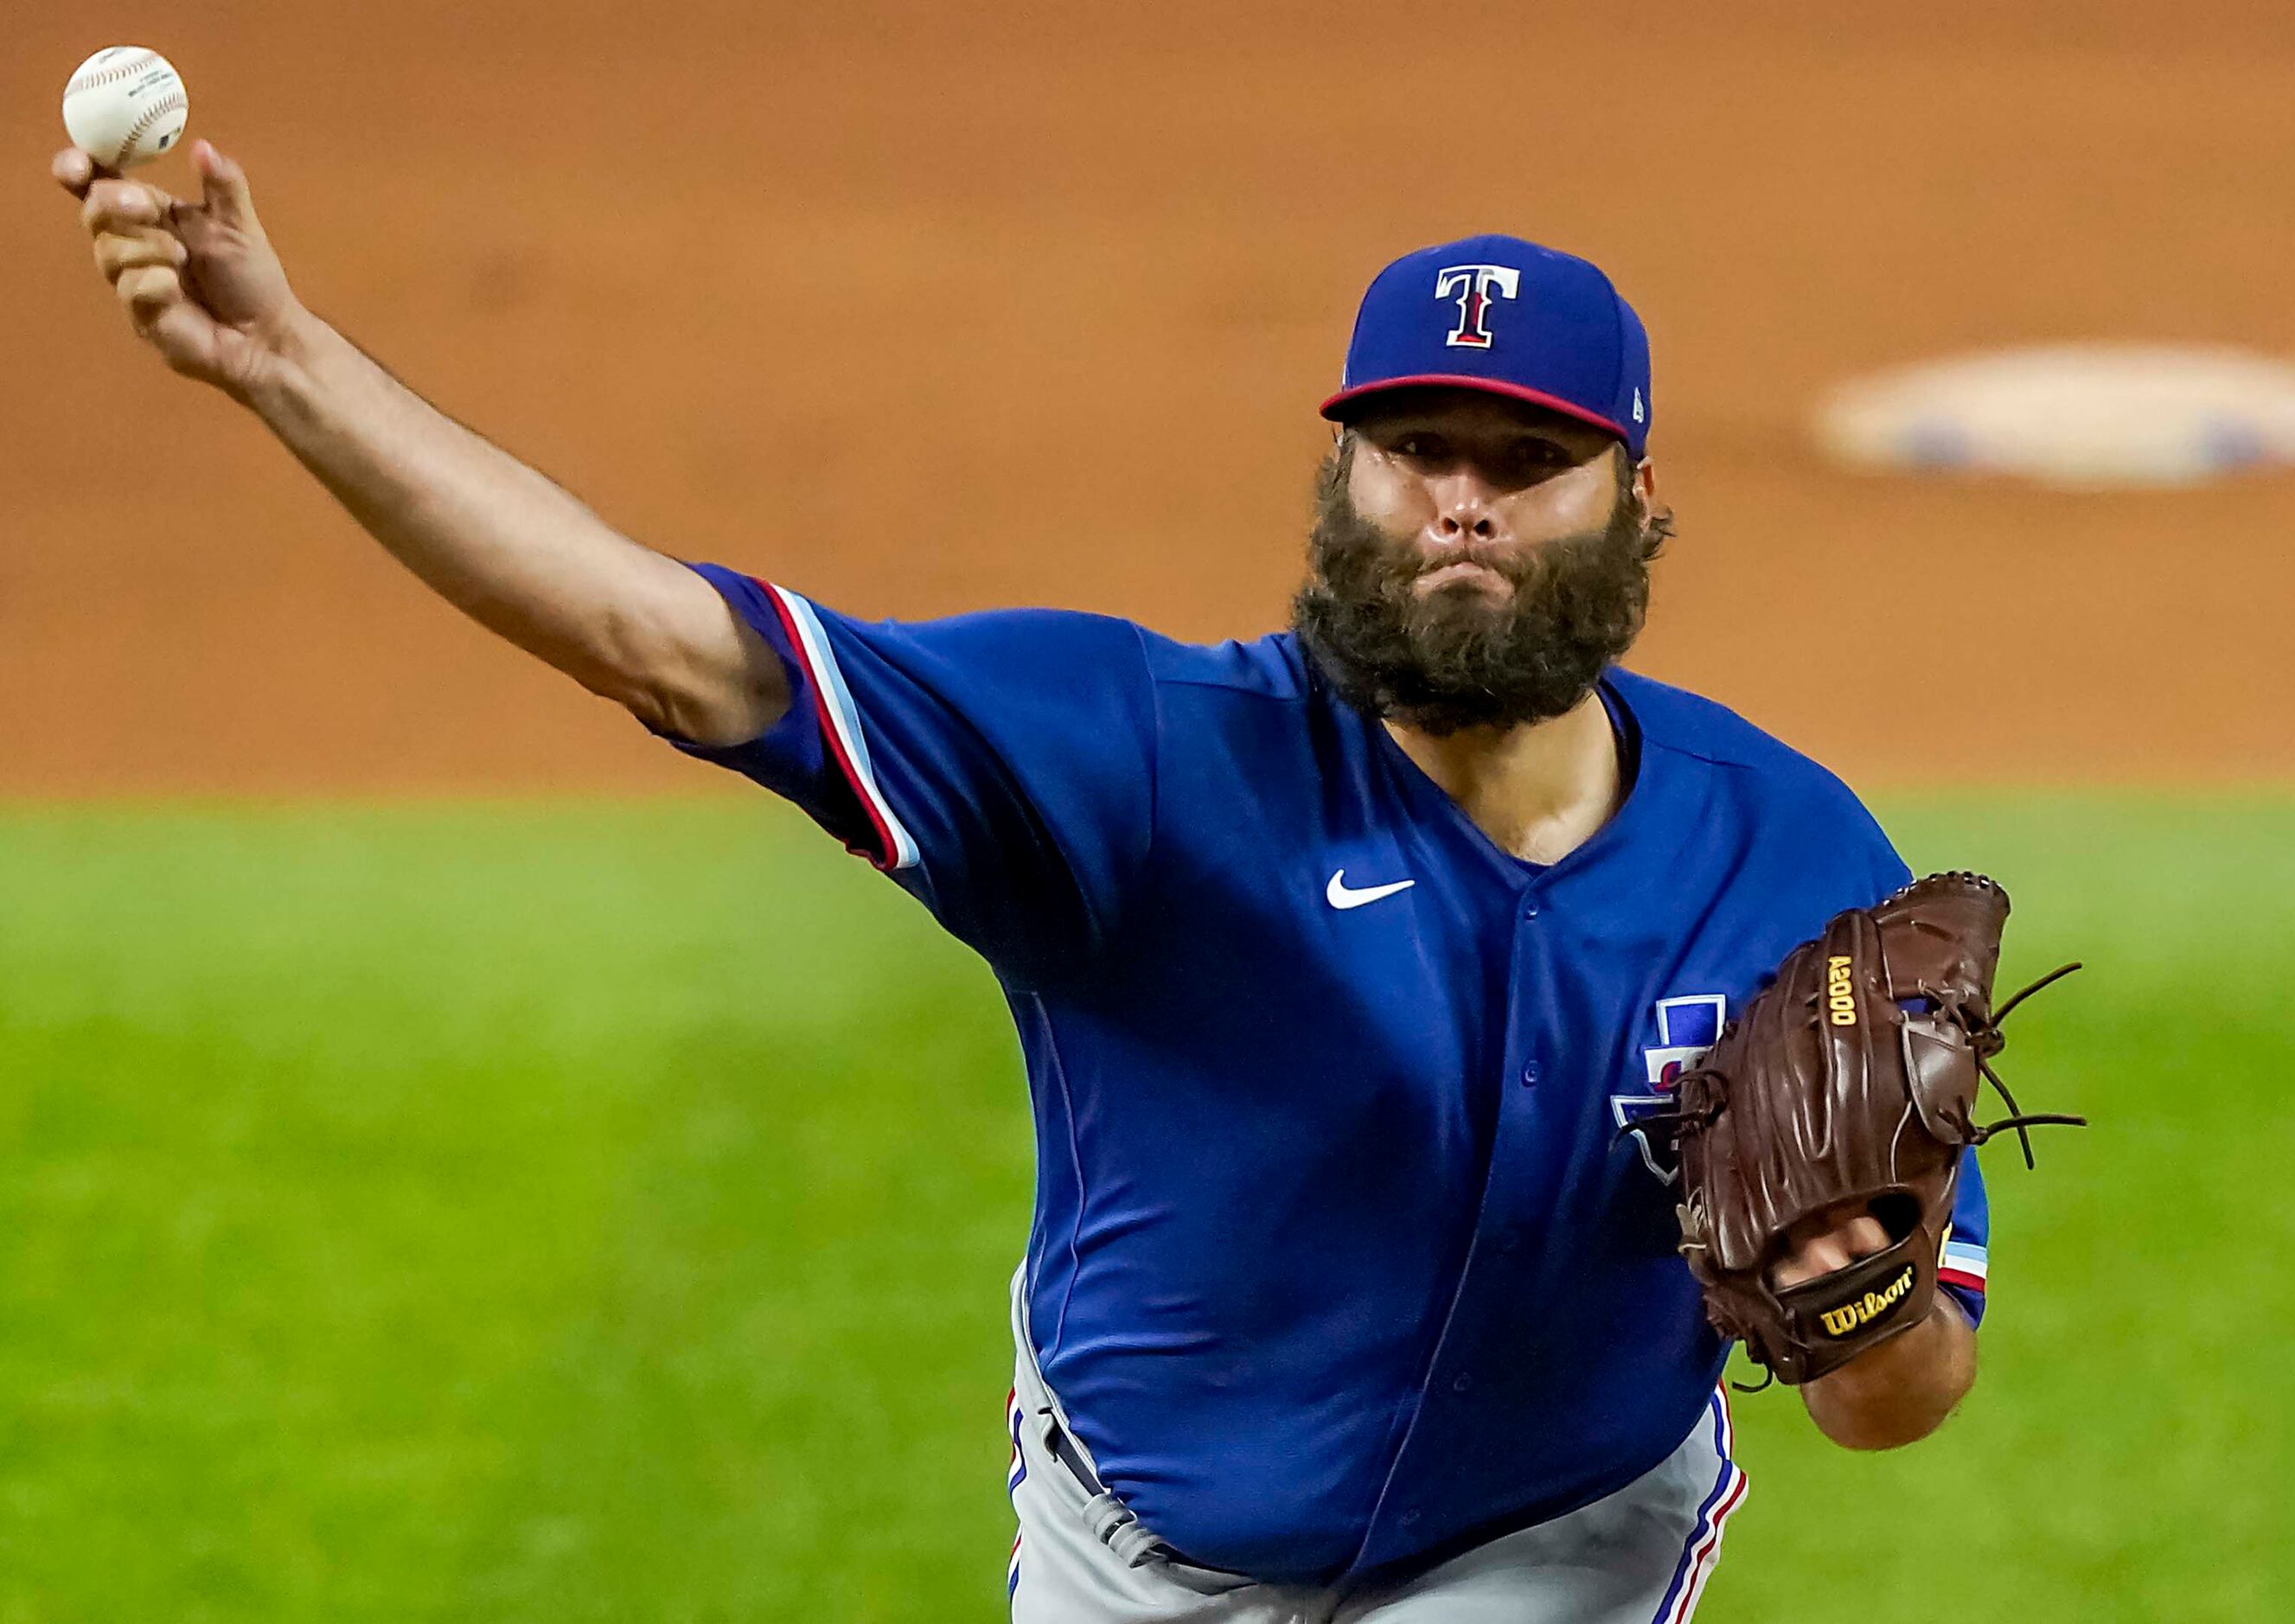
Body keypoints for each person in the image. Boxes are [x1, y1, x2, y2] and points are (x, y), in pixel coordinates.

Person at [56, 141, 1993, 1622]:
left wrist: (1859, 1312)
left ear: (1638, 504)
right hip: (1141, 1552)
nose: (1461, 500)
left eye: (1525, 456)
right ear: (1342, 484)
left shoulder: (1791, 863)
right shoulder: (1138, 759)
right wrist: (285, 363)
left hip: (1553, 1549)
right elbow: (669, 644)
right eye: (1411, 450)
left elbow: (1894, 1405)